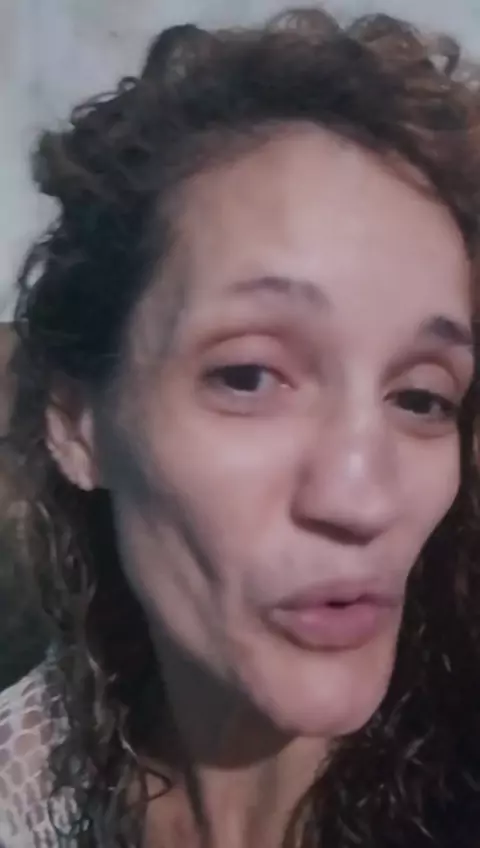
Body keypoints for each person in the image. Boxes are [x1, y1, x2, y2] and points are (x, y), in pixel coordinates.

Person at [1, 7, 480, 846]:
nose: (362, 498)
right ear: (78, 423)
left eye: (420, 398)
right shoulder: (27, 785)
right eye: (248, 376)